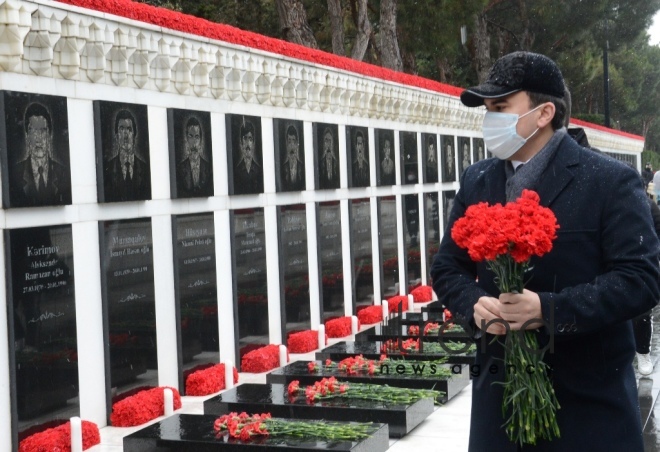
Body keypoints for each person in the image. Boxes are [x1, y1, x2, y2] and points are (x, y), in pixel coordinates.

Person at [431, 51, 660, 451]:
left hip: (588, 408)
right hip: (499, 404)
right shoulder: (478, 180)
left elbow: (640, 280)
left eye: (501, 107)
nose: (490, 120)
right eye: (487, 109)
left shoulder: (609, 182)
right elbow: (449, 266)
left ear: (544, 113)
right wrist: (474, 304)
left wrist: (548, 310)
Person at [13, 102, 70, 206]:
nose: (38, 139)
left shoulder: (63, 173)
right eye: (33, 131)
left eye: (42, 131)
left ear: (49, 135)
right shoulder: (15, 174)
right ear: (27, 135)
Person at [104, 109, 150, 202]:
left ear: (134, 136)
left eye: (129, 129)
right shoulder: (107, 169)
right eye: (121, 129)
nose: (126, 134)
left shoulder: (145, 169)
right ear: (116, 136)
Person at [176, 116, 211, 197]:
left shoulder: (208, 167)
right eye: (190, 136)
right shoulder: (180, 169)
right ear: (186, 139)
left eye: (197, 137)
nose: (194, 142)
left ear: (201, 139)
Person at [234, 118, 263, 194]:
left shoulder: (258, 170)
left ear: (253, 143)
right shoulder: (236, 171)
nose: (247, 143)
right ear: (241, 142)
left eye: (250, 139)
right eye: (245, 138)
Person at [282, 125, 305, 191]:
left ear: (297, 144)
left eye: (294, 141)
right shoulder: (283, 168)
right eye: (289, 142)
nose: (292, 145)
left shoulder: (302, 167)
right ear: (286, 145)